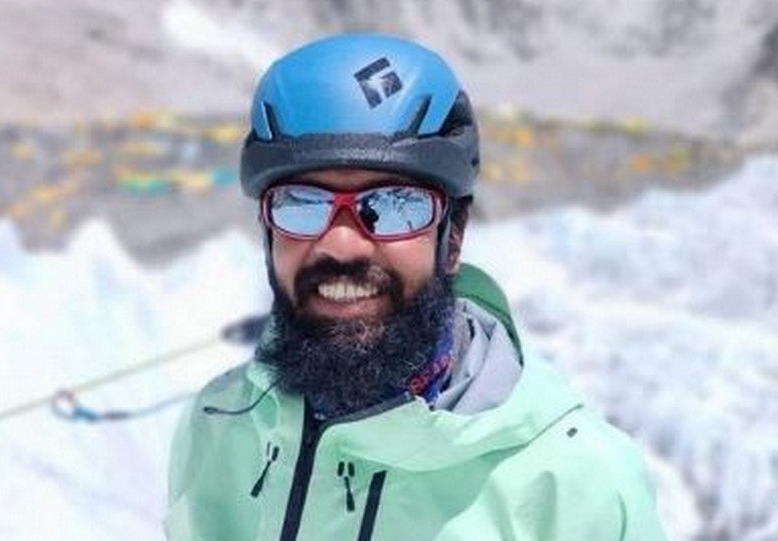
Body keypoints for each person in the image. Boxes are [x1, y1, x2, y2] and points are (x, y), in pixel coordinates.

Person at [165, 33, 669, 541]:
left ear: (454, 238)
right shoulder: (218, 431)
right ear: (268, 230)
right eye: (301, 204)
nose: (341, 244)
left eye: (394, 205)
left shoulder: (576, 488)